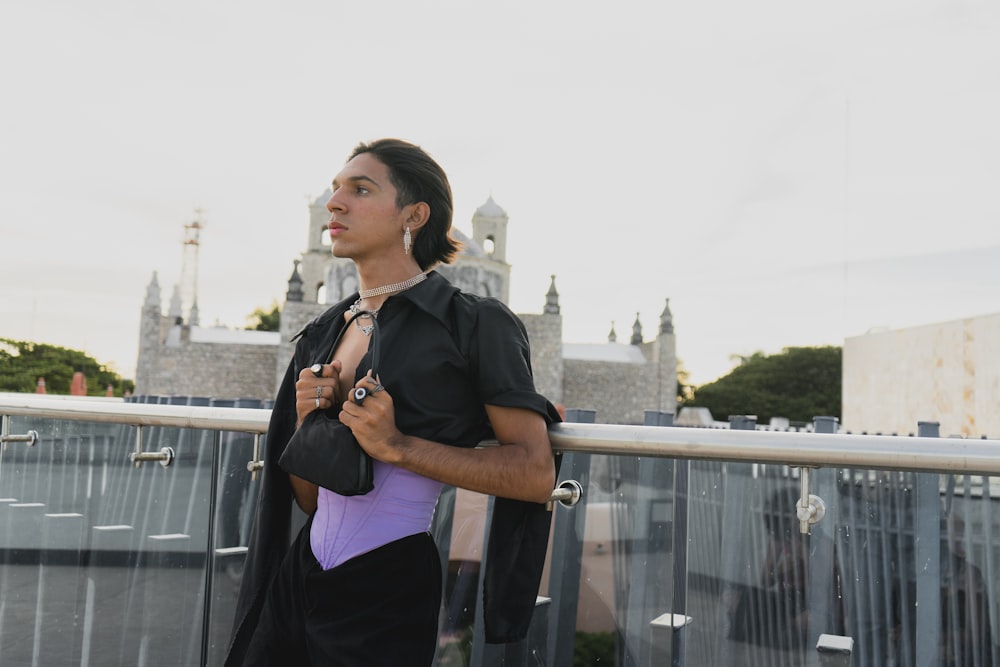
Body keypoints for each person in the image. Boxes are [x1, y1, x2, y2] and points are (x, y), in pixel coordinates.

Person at [226, 138, 561, 666]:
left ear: (414, 215)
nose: (336, 202)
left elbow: (534, 472)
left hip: (385, 583)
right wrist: (312, 422)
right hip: (300, 573)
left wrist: (397, 445)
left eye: (360, 189)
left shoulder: (472, 323)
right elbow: (311, 499)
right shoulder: (323, 329)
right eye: (336, 190)